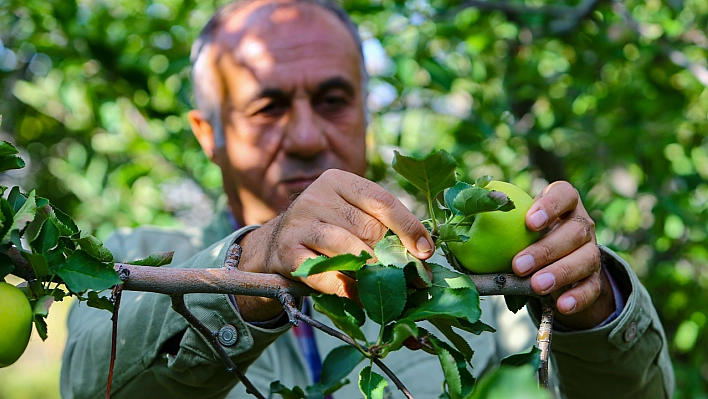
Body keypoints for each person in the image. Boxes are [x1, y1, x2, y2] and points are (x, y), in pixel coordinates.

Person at [60, 0, 674, 398]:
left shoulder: (457, 282)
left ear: (364, 116)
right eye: (267, 107)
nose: (304, 137)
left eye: (332, 101)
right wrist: (251, 268)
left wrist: (594, 311)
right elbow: (92, 386)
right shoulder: (137, 265)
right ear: (208, 134)